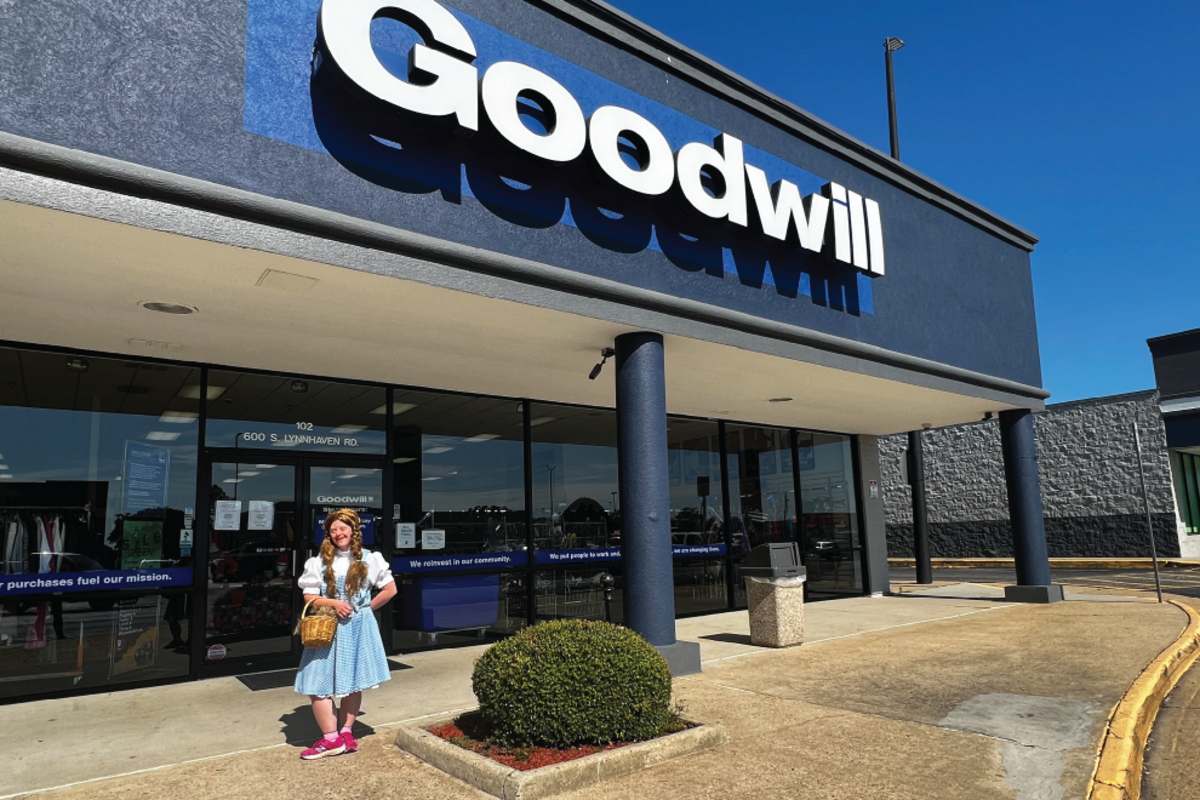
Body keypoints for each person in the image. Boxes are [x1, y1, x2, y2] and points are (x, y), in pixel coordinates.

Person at [293, 508, 397, 760]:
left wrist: (365, 610)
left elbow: (390, 589)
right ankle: (332, 738)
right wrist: (334, 604)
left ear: (353, 530)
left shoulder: (371, 559)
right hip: (328, 628)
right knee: (315, 681)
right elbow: (309, 596)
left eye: (343, 528)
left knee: (353, 680)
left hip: (358, 628)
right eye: (333, 530)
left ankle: (345, 733)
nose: (338, 533)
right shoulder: (318, 561)